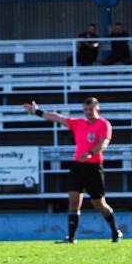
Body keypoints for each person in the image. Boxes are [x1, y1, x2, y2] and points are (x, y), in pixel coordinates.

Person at [22, 97, 122, 243]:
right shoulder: (79, 123)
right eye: (86, 110)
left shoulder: (104, 124)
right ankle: (71, 237)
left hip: (94, 166)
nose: (88, 112)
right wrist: (37, 111)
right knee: (74, 200)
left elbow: (104, 142)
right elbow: (58, 118)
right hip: (77, 166)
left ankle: (115, 231)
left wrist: (90, 153)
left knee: (98, 203)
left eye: (91, 109)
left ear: (97, 109)